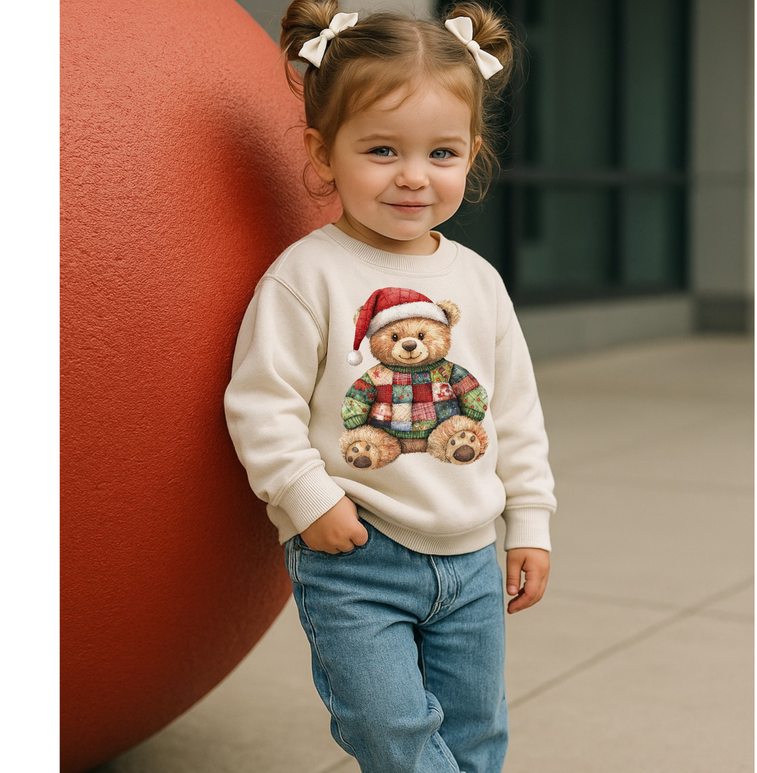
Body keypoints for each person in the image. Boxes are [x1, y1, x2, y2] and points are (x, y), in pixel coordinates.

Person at [224, 2, 556, 771]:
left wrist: (530, 521)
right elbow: (260, 403)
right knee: (388, 732)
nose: (413, 176)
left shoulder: (477, 283)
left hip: (472, 558)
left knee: (476, 733)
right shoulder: (307, 276)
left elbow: (515, 413)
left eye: (441, 152)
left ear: (471, 154)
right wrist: (310, 500)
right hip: (357, 557)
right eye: (381, 149)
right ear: (323, 150)